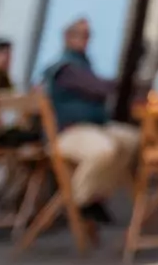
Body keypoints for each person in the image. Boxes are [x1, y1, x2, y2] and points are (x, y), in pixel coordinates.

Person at [40, 18, 140, 223]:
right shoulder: (66, 68)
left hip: (94, 127)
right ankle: (78, 200)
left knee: (132, 140)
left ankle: (98, 195)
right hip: (70, 132)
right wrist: (123, 84)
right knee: (105, 150)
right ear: (68, 38)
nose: (86, 40)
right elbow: (97, 87)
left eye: (88, 35)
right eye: (81, 35)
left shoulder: (83, 64)